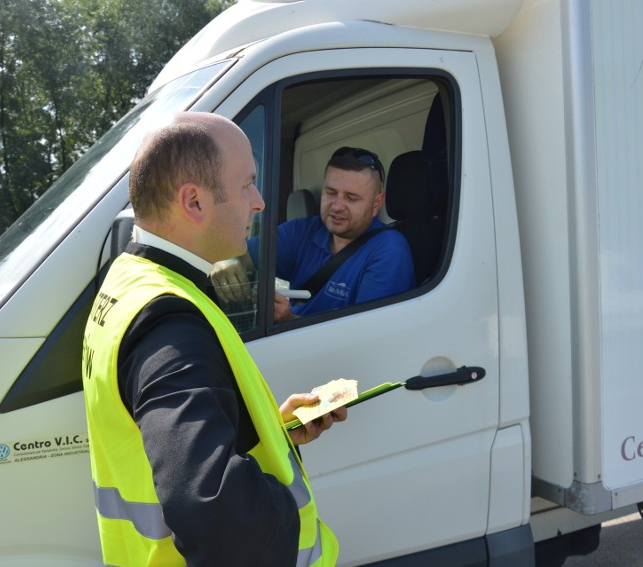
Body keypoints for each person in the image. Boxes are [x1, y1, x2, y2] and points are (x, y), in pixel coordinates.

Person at [82, 113, 343, 566]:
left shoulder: (127, 283)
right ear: (194, 202)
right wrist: (272, 501)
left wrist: (271, 432)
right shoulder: (169, 324)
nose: (260, 202)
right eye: (247, 185)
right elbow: (216, 514)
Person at [211, 146, 415, 323]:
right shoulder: (303, 231)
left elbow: (365, 336)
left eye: (351, 198)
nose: (337, 206)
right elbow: (244, 256)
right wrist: (227, 260)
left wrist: (289, 320)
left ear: (376, 203)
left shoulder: (389, 250)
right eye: (331, 193)